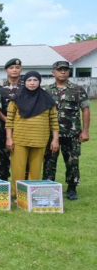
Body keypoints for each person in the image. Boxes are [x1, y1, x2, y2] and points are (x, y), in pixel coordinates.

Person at [6, 71, 59, 196]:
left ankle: (31, 195)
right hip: (19, 139)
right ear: (25, 82)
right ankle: (17, 194)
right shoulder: (16, 98)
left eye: (35, 80)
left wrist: (55, 139)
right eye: (29, 80)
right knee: (18, 170)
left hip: (39, 139)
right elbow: (9, 121)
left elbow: (54, 121)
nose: (32, 83)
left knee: (35, 171)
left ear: (39, 82)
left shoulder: (48, 99)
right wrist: (9, 138)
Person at [43, 61, 91, 200]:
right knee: (49, 162)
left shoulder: (78, 89)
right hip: (51, 134)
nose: (62, 72)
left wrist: (85, 131)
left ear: (68, 72)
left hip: (72, 133)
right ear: (53, 72)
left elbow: (85, 110)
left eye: (65, 69)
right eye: (59, 70)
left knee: (72, 162)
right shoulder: (46, 90)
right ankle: (48, 186)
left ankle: (71, 188)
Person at [0, 58, 24, 180]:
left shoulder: (27, 88)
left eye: (17, 68)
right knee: (3, 157)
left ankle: (21, 185)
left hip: (22, 128)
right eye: (11, 68)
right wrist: (9, 121)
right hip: (3, 128)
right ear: (6, 70)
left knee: (22, 158)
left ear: (20, 69)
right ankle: (3, 183)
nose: (14, 70)